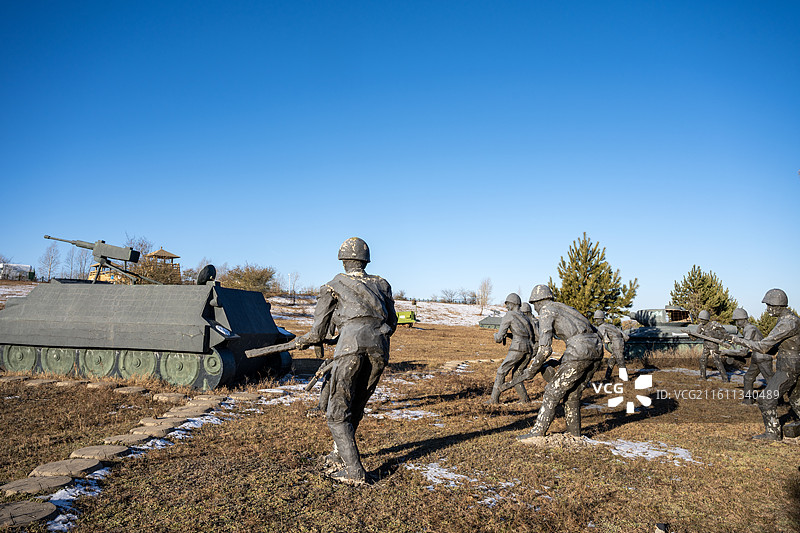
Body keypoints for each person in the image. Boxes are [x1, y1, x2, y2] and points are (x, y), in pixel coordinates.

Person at [295, 237, 397, 484]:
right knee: (356, 405)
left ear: (343, 261)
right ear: (365, 259)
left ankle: (355, 473)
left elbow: (318, 333)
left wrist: (303, 340)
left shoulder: (333, 285)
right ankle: (340, 453)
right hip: (380, 348)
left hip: (351, 347)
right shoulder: (381, 284)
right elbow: (391, 323)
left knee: (336, 412)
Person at [517, 285, 603, 440]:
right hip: (596, 350)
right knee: (573, 394)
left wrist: (532, 369)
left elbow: (545, 350)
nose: (535, 310)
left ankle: (538, 431)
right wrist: (562, 361)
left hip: (579, 351)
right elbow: (589, 335)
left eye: (534, 305)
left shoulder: (546, 311)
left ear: (538, 301)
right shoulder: (567, 309)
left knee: (552, 392)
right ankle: (574, 434)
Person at [732, 289, 800, 441]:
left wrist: (739, 341)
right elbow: (777, 346)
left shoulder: (787, 322)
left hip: (789, 367)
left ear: (778, 305)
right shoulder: (788, 320)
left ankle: (772, 434)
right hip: (793, 364)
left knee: (765, 400)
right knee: (796, 399)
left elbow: (764, 347)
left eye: (769, 305)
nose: (767, 309)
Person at [488, 293, 535, 404]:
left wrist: (496, 336)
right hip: (529, 349)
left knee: (501, 371)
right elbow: (527, 334)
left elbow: (499, 338)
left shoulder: (509, 316)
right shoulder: (525, 317)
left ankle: (493, 399)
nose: (506, 307)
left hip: (517, 348)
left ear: (513, 303)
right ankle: (524, 400)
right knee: (517, 374)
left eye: (507, 304)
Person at [721, 308, 773, 405]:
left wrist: (727, 352)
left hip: (762, 358)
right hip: (757, 357)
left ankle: (777, 401)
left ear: (743, 319)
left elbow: (744, 351)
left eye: (737, 320)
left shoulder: (749, 329)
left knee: (771, 380)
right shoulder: (749, 328)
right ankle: (748, 400)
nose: (737, 323)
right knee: (748, 378)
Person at [592, 310, 629, 381]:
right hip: (620, 343)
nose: (596, 321)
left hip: (615, 344)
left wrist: (605, 341)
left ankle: (625, 379)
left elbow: (605, 338)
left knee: (620, 361)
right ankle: (607, 377)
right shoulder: (611, 325)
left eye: (596, 319)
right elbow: (626, 336)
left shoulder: (601, 327)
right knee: (612, 361)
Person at [696, 310, 729, 382]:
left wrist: (723, 339)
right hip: (706, 346)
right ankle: (703, 377)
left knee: (717, 361)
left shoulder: (714, 324)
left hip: (713, 346)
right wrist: (691, 335)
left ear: (707, 319)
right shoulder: (700, 326)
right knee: (702, 360)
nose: (701, 321)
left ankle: (725, 379)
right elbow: (695, 336)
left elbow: (725, 332)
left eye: (703, 319)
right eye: (700, 319)